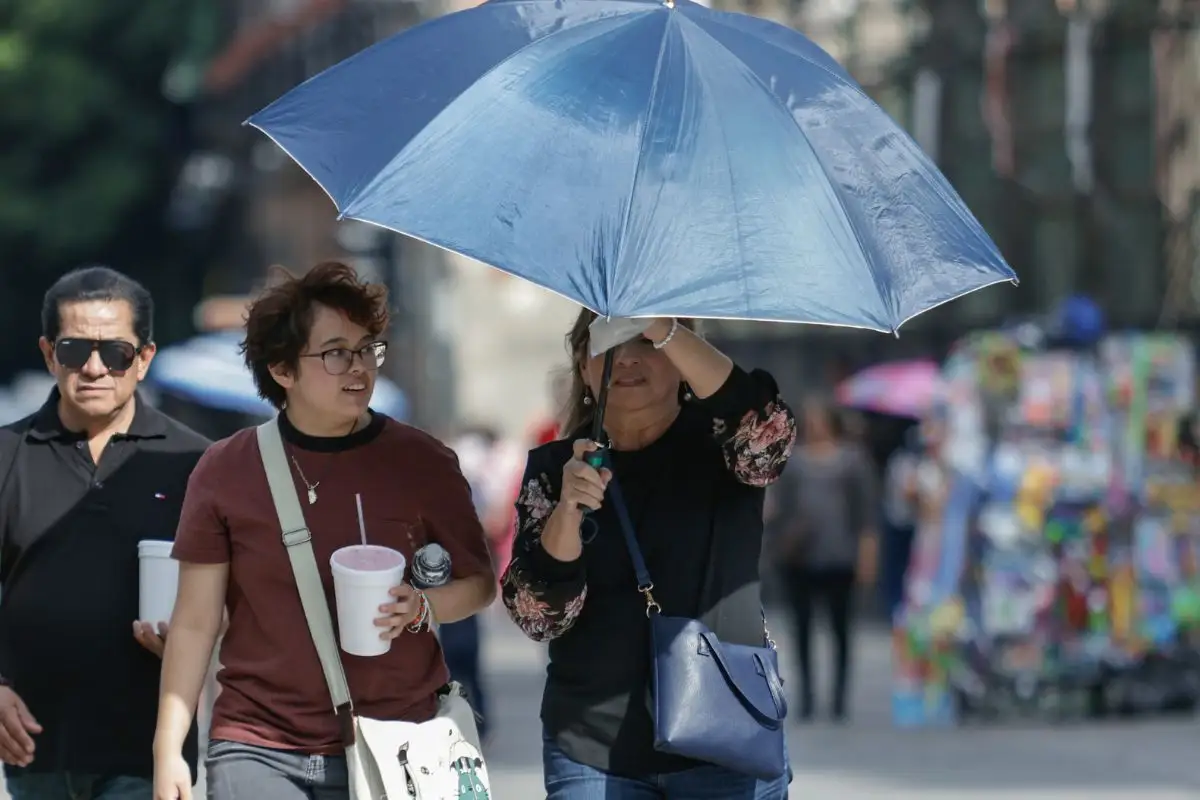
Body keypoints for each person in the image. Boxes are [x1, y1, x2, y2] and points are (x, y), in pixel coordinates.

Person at [152, 262, 496, 800]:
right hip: (258, 745)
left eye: (367, 349)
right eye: (336, 352)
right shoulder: (225, 470)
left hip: (397, 742)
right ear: (283, 369)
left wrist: (424, 607)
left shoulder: (422, 461)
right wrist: (169, 747)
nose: (358, 368)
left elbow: (479, 584)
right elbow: (195, 622)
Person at [501, 310, 796, 800]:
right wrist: (568, 511)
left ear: (681, 357)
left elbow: (768, 431)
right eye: (611, 340)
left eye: (647, 341)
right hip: (593, 746)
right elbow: (538, 617)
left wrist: (661, 324)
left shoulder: (725, 446)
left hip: (728, 736)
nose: (629, 357)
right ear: (582, 363)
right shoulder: (556, 468)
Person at [0, 267, 210, 799]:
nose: (94, 368)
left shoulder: (196, 462)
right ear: (50, 354)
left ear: (144, 359)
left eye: (115, 352)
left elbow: (236, 591)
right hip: (36, 751)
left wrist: (198, 635)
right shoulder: (6, 455)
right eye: (74, 351)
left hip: (150, 751)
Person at [773, 399, 877, 722]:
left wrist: (867, 556)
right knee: (801, 629)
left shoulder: (853, 460)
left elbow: (866, 515)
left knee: (840, 630)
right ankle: (807, 696)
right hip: (801, 557)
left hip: (840, 555)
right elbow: (779, 506)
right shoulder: (793, 460)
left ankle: (839, 699)